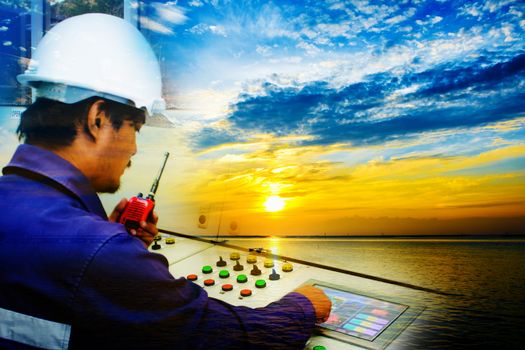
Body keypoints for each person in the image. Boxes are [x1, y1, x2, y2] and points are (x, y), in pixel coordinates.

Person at [0, 13, 331, 350]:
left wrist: (112, 242)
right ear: (97, 119)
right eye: (135, 129)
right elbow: (228, 338)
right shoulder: (99, 251)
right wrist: (301, 307)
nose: (134, 149)